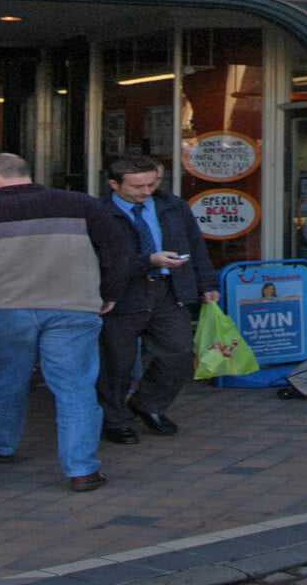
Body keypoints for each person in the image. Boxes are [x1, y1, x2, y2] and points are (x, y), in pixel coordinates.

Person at [0, 150, 133, 492]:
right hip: (73, 306)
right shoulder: (80, 203)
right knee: (75, 387)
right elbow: (117, 250)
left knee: (5, 382)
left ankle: (0, 446)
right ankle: (81, 469)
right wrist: (109, 293)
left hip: (2, 308)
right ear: (26, 172)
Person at [96, 152, 217, 444]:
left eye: (152, 184)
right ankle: (115, 420)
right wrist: (147, 260)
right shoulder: (98, 213)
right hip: (121, 294)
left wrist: (206, 282)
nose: (146, 192)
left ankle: (148, 403)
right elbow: (100, 258)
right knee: (117, 363)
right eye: (137, 187)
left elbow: (194, 244)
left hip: (168, 289)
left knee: (179, 352)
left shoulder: (172, 205)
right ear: (114, 184)